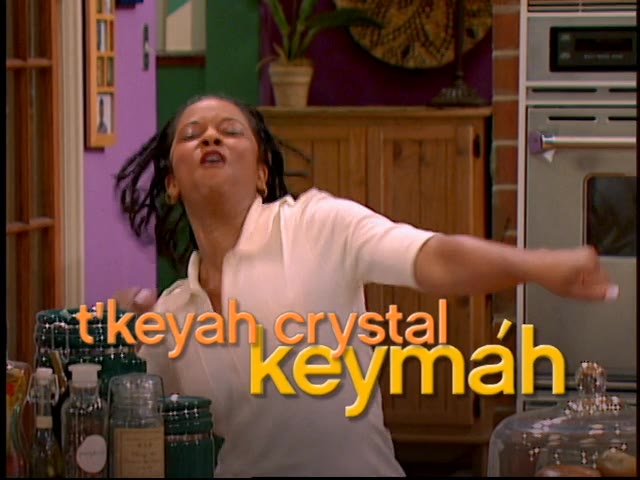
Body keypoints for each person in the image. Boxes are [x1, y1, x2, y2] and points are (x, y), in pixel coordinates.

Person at [113, 95, 618, 477]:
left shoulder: (317, 226)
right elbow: (140, 430)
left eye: (229, 131)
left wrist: (538, 264)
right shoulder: (173, 312)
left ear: (263, 173)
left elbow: (435, 257)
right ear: (172, 183)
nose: (210, 139)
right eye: (192, 135)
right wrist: (125, 340)